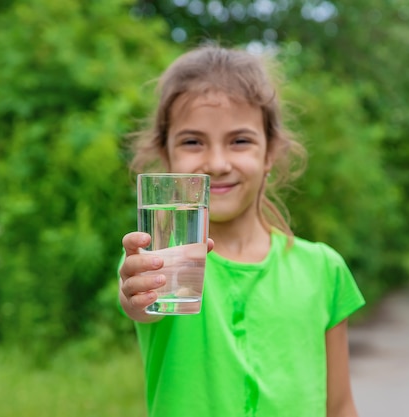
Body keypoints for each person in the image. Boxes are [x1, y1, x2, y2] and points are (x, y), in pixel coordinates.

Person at [118, 44, 365, 417]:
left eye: (240, 141)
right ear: (166, 157)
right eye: (192, 141)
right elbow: (142, 307)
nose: (217, 164)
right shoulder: (160, 260)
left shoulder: (323, 269)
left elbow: (341, 406)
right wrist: (137, 294)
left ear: (269, 154)